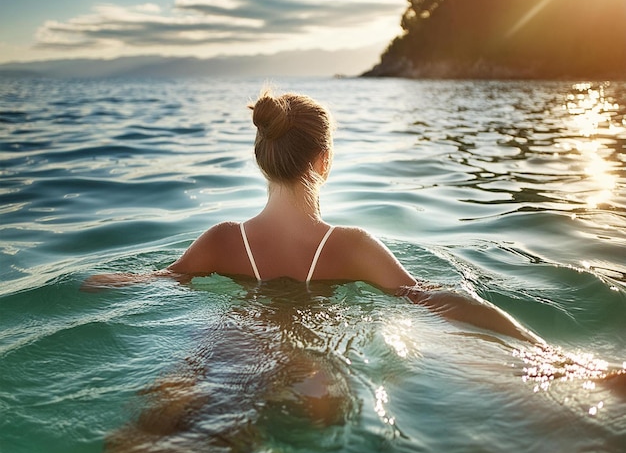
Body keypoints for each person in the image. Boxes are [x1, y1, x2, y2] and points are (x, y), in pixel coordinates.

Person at [84, 87, 543, 345]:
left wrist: (92, 279)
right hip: (311, 354)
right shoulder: (351, 247)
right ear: (323, 160)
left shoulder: (221, 241)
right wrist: (548, 354)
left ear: (261, 159)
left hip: (227, 349)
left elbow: (154, 282)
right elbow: (432, 299)